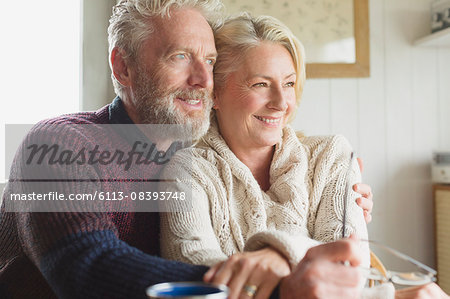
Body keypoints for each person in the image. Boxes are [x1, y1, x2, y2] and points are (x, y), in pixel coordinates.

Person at [0, 1, 376, 299]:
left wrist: (342, 202)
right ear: (123, 67)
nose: (202, 79)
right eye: (179, 56)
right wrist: (276, 286)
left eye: (209, 61)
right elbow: (90, 270)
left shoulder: (198, 156)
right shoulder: (56, 145)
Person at [159, 13, 449, 299]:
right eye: (260, 84)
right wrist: (287, 254)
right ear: (216, 94)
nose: (281, 103)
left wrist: (282, 257)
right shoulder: (187, 169)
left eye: (288, 83)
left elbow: (349, 267)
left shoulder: (331, 154)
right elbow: (199, 274)